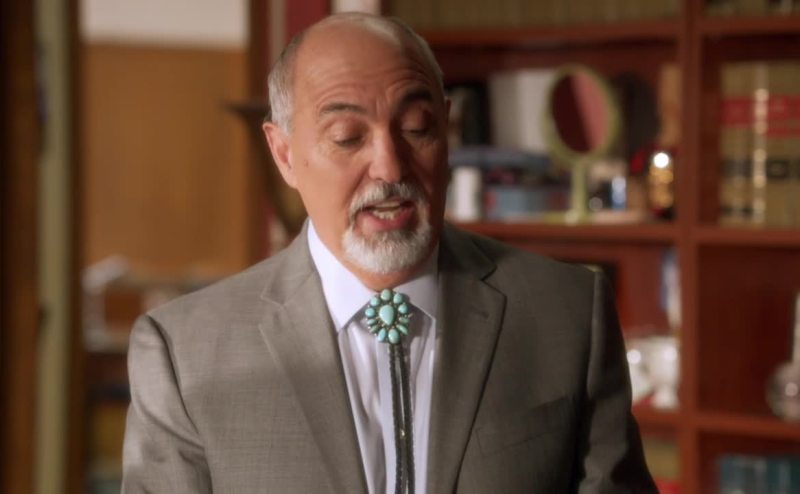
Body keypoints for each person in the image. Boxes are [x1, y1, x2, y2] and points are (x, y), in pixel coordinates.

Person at [122, 12, 656, 493]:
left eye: (417, 129)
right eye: (347, 137)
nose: (391, 167)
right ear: (283, 154)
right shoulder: (185, 355)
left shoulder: (567, 312)